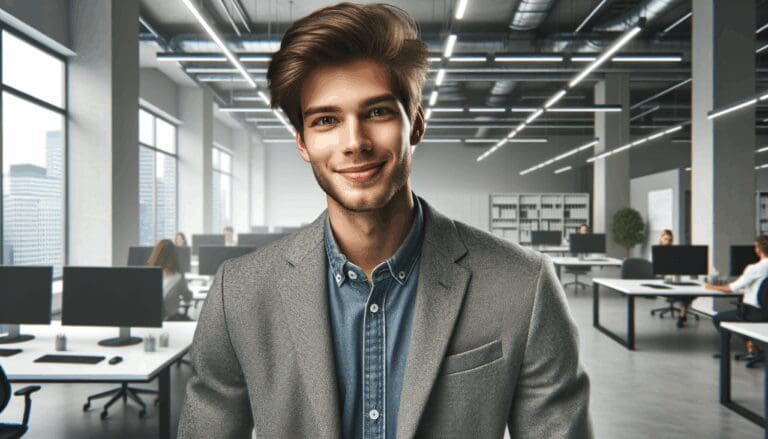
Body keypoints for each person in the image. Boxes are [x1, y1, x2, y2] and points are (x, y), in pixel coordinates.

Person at [178, 4, 591, 438]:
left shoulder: (522, 285)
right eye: (326, 120)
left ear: (414, 125)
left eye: (377, 112)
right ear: (302, 143)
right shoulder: (239, 294)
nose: (354, 142)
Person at [706, 235, 768, 360]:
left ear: (758, 250)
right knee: (741, 317)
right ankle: (752, 346)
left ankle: (739, 349)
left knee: (718, 318)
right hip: (764, 310)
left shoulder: (755, 268)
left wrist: (711, 287)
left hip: (754, 311)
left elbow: (731, 288)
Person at [146, 239, 192, 320]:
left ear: (156, 254)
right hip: (171, 321)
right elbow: (187, 298)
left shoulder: (148, 276)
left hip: (150, 320)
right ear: (174, 255)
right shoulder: (178, 277)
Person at [657, 229, 690, 327]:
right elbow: (656, 271)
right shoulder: (656, 252)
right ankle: (682, 315)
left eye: (670, 240)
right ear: (661, 239)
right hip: (661, 282)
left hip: (674, 281)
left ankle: (682, 314)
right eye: (665, 239)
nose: (668, 242)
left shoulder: (675, 252)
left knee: (690, 293)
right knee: (686, 295)